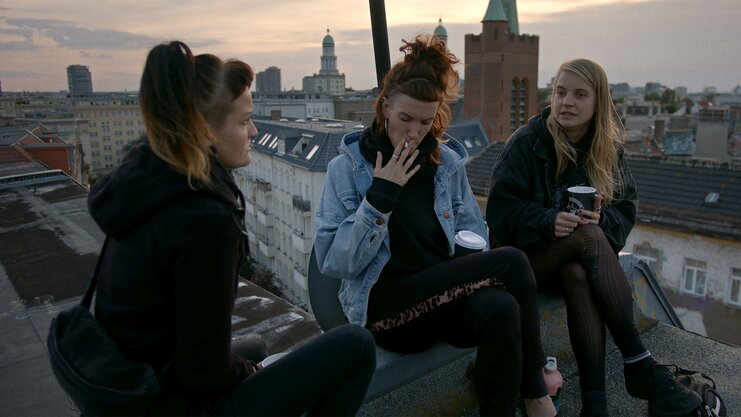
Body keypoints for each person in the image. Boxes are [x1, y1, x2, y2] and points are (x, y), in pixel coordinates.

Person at [88, 41, 375, 416]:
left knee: (254, 344)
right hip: (169, 403)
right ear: (203, 131)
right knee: (354, 345)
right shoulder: (204, 219)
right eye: (242, 121)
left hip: (127, 382)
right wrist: (250, 373)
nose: (254, 131)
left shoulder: (147, 180)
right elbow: (203, 372)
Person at [314, 35, 556, 417]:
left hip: (443, 295)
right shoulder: (348, 168)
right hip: (389, 311)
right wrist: (380, 198)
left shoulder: (446, 165)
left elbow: (472, 235)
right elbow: (334, 261)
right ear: (385, 107)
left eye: (425, 122)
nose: (413, 133)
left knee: (500, 308)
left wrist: (465, 260)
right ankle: (536, 391)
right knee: (510, 261)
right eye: (404, 119)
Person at [487, 58, 701, 416]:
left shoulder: (607, 149)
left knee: (577, 274)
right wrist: (545, 222)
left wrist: (603, 218)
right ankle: (638, 360)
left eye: (579, 94)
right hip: (521, 267)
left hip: (569, 263)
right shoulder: (527, 143)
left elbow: (625, 211)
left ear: (598, 102)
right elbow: (499, 215)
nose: (566, 102)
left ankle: (595, 406)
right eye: (560, 92)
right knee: (587, 235)